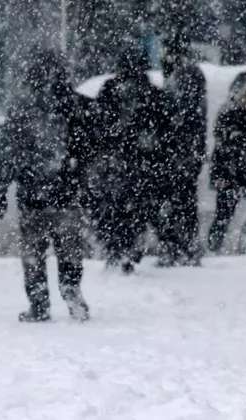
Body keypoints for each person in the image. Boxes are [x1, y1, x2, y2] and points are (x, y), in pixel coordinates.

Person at [0, 49, 97, 322]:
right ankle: (72, 292)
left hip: (32, 195)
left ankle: (38, 304)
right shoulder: (77, 106)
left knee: (33, 254)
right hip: (68, 194)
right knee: (69, 251)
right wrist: (82, 179)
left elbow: (8, 152)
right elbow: (91, 148)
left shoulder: (23, 109)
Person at [93, 45, 170, 274]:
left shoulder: (109, 90)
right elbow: (164, 130)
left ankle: (114, 250)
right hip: (144, 163)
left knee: (111, 209)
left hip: (114, 161)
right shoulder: (153, 93)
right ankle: (130, 248)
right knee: (137, 209)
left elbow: (97, 124)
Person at [207, 72, 246, 254]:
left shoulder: (245, 113)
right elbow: (228, 143)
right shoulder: (229, 112)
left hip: (242, 173)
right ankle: (216, 247)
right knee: (224, 214)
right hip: (228, 174)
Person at [157, 36, 208, 267]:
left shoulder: (184, 75)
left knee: (179, 200)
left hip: (181, 152)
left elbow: (183, 114)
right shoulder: (187, 73)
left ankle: (179, 248)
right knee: (182, 200)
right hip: (185, 151)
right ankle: (182, 247)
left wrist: (173, 145)